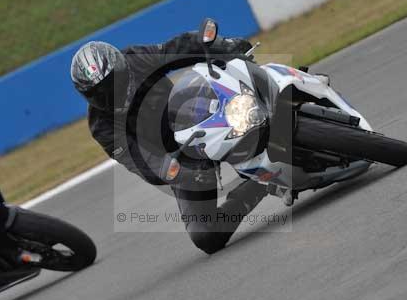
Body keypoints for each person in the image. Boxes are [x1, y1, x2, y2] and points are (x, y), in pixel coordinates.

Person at [70, 32, 268, 254]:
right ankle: (259, 186)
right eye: (99, 93)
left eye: (113, 81)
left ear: (121, 66)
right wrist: (176, 171)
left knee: (220, 85)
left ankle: (271, 111)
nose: (110, 93)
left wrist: (221, 46)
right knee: (205, 236)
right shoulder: (102, 126)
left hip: (196, 115)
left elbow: (174, 49)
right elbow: (139, 161)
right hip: (179, 158)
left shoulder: (135, 58)